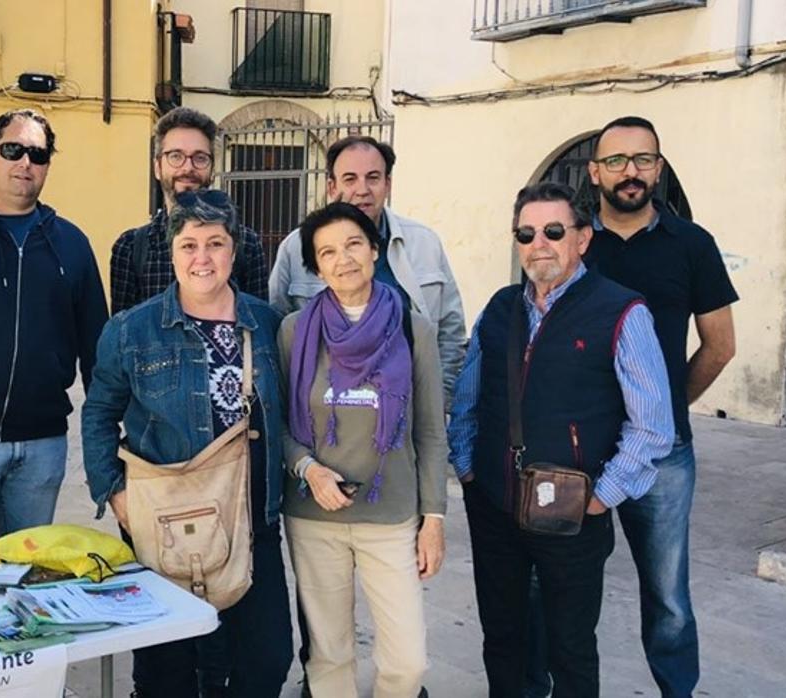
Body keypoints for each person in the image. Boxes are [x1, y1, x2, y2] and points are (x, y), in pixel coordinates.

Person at [448, 182, 674, 697]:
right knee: (503, 638)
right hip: (496, 508)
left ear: (583, 239)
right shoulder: (501, 308)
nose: (539, 244)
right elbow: (467, 396)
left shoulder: (621, 311)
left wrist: (601, 497)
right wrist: (467, 468)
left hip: (572, 515)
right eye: (526, 233)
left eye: (554, 231)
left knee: (570, 645)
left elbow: (653, 424)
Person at [82, 190, 292, 697]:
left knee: (266, 657)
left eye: (215, 244)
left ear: (234, 250)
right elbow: (98, 414)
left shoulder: (267, 324)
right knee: (166, 672)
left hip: (250, 519)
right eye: (189, 245)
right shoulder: (132, 330)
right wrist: (115, 494)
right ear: (173, 252)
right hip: (164, 521)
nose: (202, 258)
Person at [582, 115, 738, 697]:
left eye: (642, 159)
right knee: (564, 585)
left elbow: (720, 346)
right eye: (617, 160)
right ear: (596, 171)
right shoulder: (570, 242)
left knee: (668, 596)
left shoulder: (692, 245)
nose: (630, 172)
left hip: (663, 457)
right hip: (581, 446)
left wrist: (666, 408)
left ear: (659, 168)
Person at [278, 202, 447, 698]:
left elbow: (431, 432)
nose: (343, 259)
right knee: (329, 656)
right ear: (315, 266)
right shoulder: (294, 332)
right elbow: (282, 426)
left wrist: (433, 519)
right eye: (326, 252)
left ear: (375, 250)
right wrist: (309, 470)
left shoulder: (415, 330)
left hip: (390, 513)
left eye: (353, 244)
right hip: (314, 516)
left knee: (408, 660)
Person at [0, 109, 109, 545]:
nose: (25, 164)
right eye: (13, 150)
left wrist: (105, 436)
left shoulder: (71, 244)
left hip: (43, 445)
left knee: (24, 578)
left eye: (37, 154)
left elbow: (96, 345)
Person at [268, 136, 465, 403]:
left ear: (388, 184)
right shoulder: (296, 247)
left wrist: (437, 400)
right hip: (329, 411)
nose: (362, 190)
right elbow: (280, 329)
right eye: (350, 179)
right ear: (331, 186)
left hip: (410, 406)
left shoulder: (425, 243)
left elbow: (450, 334)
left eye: (373, 178)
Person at [109, 107, 267, 314]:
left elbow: (257, 323)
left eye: (200, 158)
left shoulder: (247, 244)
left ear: (212, 168)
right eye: (176, 156)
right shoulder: (131, 248)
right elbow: (124, 335)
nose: (187, 167)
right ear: (157, 167)